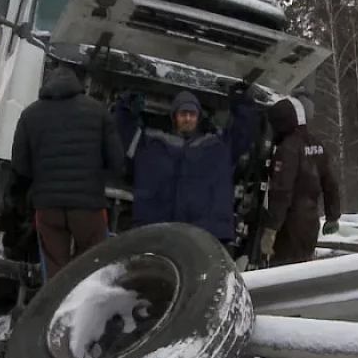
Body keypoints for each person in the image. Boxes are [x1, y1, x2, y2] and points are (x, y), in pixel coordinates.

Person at [10, 65, 126, 281]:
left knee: (55, 269)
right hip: (89, 206)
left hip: (48, 207)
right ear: (78, 85)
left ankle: (57, 311)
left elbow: (20, 165)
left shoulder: (29, 115)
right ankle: (86, 311)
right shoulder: (97, 111)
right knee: (92, 265)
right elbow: (117, 161)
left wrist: (40, 181)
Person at [114, 83, 258, 246]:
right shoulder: (151, 144)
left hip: (205, 233)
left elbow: (244, 132)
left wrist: (242, 101)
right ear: (174, 116)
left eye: (192, 114)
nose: (188, 118)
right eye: (183, 113)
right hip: (156, 230)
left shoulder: (218, 146)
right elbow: (123, 133)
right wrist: (126, 104)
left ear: (199, 117)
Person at [259, 88, 341, 266]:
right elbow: (330, 183)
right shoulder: (317, 144)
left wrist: (271, 230)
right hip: (311, 223)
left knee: (283, 274)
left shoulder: (287, 149)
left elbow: (282, 192)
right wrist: (332, 215)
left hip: (289, 227)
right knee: (303, 269)